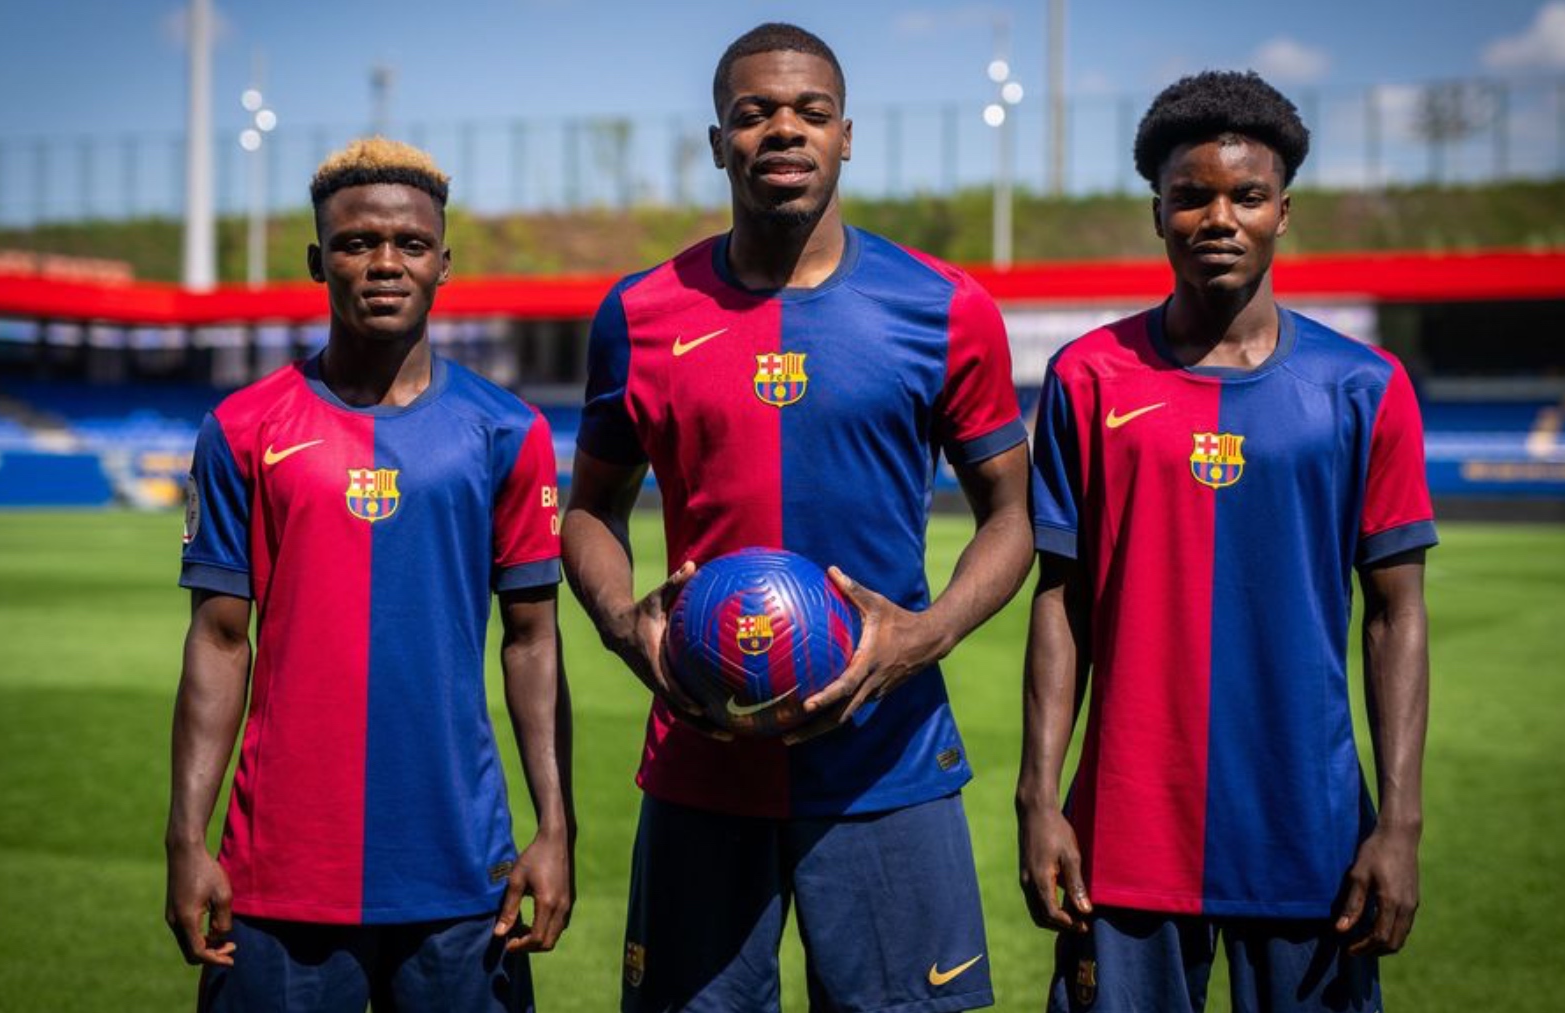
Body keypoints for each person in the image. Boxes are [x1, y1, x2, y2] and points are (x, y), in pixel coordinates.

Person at [562, 22, 1033, 1013]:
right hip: (702, 755)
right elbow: (589, 510)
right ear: (717, 141)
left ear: (847, 135)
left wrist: (922, 637)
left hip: (888, 761)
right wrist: (623, 622)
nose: (784, 130)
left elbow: (1012, 515)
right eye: (754, 113)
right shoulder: (640, 313)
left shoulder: (942, 306)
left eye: (810, 112)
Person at [1019, 71, 1436, 1013]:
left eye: (1245, 196)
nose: (1218, 216)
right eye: (1190, 196)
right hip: (1123, 833)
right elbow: (1060, 601)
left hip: (1311, 834)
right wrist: (1038, 798)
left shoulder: (1362, 387)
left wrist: (1401, 820)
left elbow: (1396, 615)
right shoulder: (1086, 379)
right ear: (1156, 213)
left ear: (1282, 212)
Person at [165, 138, 574, 1013]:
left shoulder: (507, 431)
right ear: (320, 260)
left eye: (410, 244)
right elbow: (217, 639)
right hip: (276, 872)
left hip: (464, 868)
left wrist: (556, 826)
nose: (385, 263)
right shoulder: (242, 428)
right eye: (356, 243)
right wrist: (184, 838)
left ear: (443, 263)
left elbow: (533, 639)